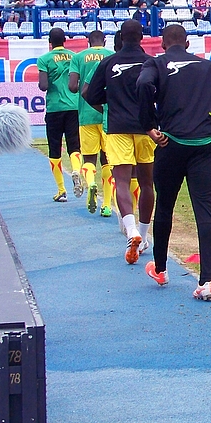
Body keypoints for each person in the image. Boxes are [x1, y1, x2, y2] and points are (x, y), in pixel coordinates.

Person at [137, 24, 211, 299]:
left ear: (162, 44)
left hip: (170, 144)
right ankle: (207, 281)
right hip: (204, 147)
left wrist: (149, 125)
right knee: (204, 210)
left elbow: (143, 84)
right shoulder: (205, 66)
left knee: (165, 206)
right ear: (187, 44)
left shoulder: (156, 64)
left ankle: (160, 268)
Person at [84, 19, 155, 264]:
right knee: (146, 183)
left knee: (122, 181)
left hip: (117, 128)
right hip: (146, 128)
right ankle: (143, 236)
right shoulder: (151, 62)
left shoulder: (108, 62)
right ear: (142, 37)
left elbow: (90, 95)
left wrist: (112, 101)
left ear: (121, 37)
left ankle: (131, 229)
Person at [67, 30, 115, 216]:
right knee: (107, 160)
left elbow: (73, 87)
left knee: (89, 158)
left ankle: (91, 183)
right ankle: (107, 205)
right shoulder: (111, 55)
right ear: (105, 41)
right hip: (107, 114)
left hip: (86, 114)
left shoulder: (78, 57)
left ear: (88, 42)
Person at [38, 28, 83, 202]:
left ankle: (61, 190)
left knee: (54, 149)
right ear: (65, 40)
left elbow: (43, 86)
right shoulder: (74, 57)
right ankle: (76, 170)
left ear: (50, 42)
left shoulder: (44, 59)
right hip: (73, 107)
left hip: (55, 108)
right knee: (74, 145)